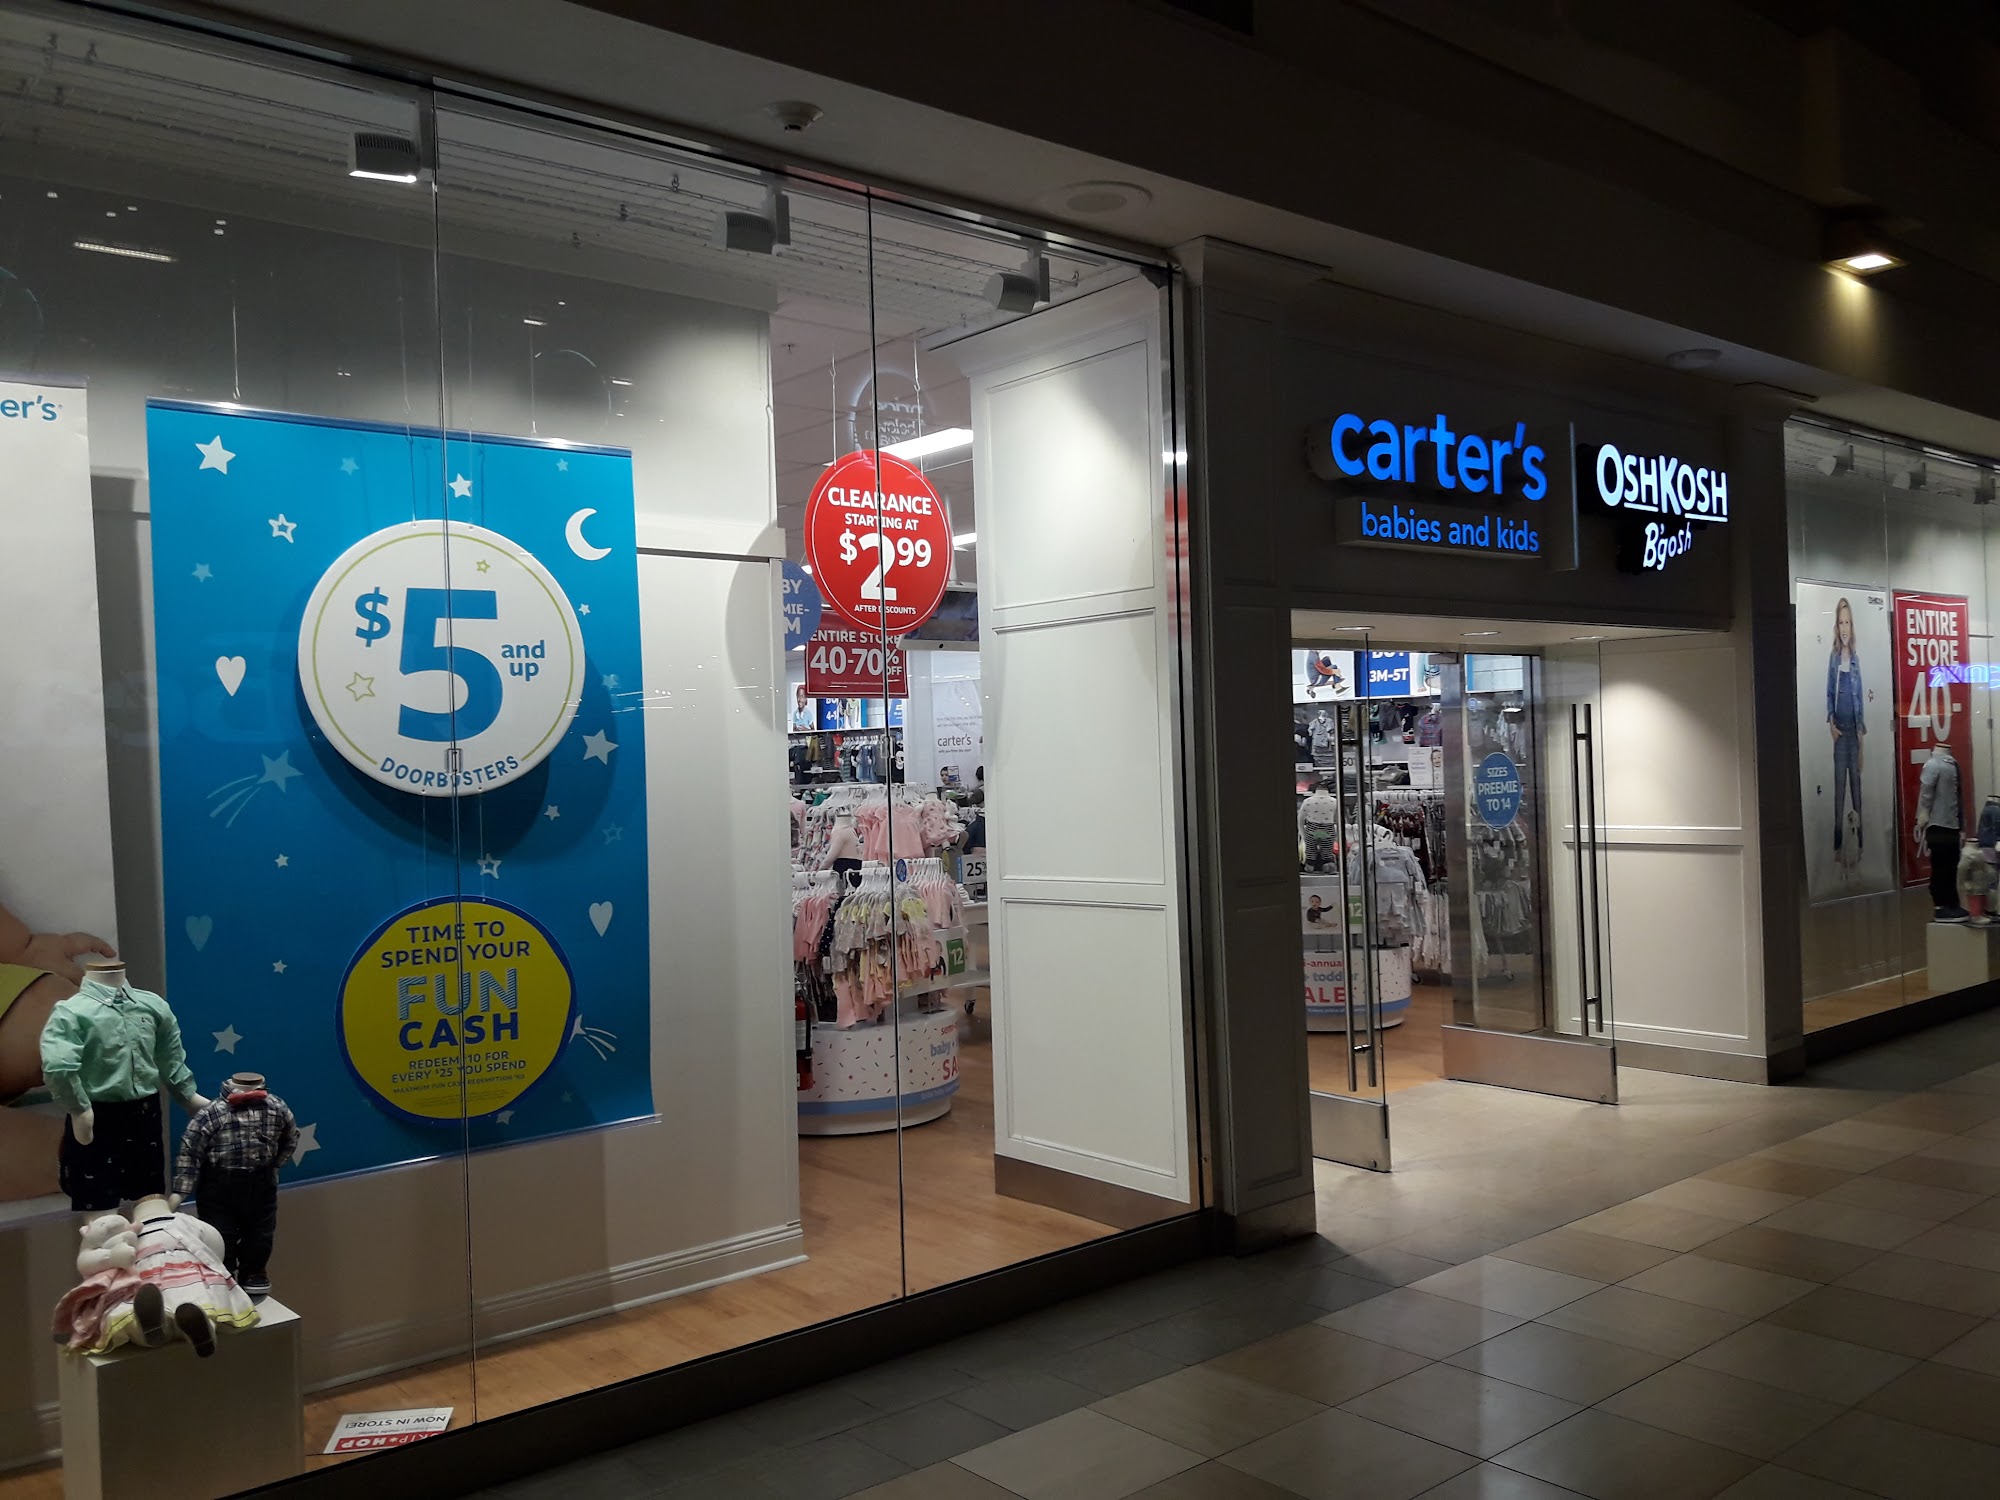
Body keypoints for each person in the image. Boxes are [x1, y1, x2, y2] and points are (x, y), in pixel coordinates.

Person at [1825, 597, 1866, 856]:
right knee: (1839, 792)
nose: (1844, 627)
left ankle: (1860, 845)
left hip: (1854, 732)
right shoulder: (1833, 658)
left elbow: (1859, 698)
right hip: (1840, 733)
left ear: (1852, 626)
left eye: (1848, 622)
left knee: (1857, 792)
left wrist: (1862, 739)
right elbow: (1829, 692)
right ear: (1836, 626)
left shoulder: (1856, 660)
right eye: (1841, 622)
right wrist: (1831, 724)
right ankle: (1838, 846)